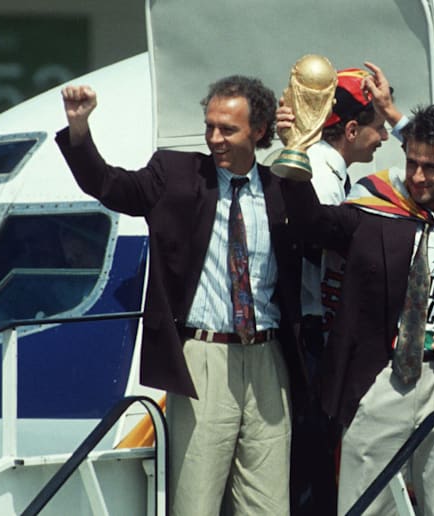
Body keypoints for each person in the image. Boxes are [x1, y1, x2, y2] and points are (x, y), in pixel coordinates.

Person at [56, 76, 303, 515]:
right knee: (195, 500)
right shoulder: (175, 175)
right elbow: (109, 185)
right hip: (204, 360)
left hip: (268, 360)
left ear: (259, 131)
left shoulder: (280, 189)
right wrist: (79, 128)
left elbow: (326, 231)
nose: (214, 138)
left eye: (228, 129)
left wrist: (300, 142)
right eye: (210, 126)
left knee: (268, 505)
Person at [279, 103, 434, 516]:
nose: (418, 177)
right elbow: (311, 222)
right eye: (412, 162)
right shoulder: (374, 207)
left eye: (431, 167)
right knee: (366, 503)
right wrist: (294, 148)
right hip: (380, 378)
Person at [290, 66, 391, 516]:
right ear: (351, 130)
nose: (383, 138)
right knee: (312, 463)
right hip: (312, 334)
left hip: (318, 329)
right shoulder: (320, 175)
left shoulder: (331, 171)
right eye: (378, 127)